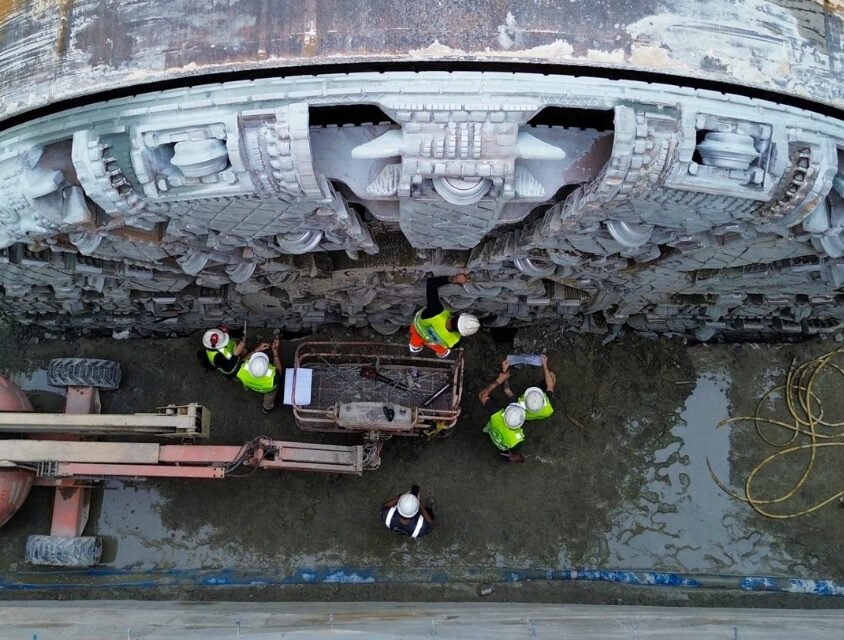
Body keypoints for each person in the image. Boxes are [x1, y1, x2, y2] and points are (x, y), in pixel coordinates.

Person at [409, 274, 480, 358]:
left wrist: (454, 278)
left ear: (460, 315)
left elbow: (431, 283)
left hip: (418, 330)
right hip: (433, 343)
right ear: (461, 333)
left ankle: (414, 350)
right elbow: (454, 345)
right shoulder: (454, 341)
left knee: (415, 342)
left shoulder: (435, 310)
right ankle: (442, 354)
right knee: (441, 350)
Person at [478, 359, 526, 463]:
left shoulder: (497, 415)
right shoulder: (517, 442)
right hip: (500, 442)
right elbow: (514, 454)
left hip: (494, 427)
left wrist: (501, 378)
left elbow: (483, 395)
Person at [235, 337, 282, 413]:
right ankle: (267, 408)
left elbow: (242, 361)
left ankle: (246, 388)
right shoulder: (273, 377)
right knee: (270, 394)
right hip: (266, 388)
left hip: (249, 383)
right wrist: (275, 353)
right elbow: (279, 371)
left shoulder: (241, 370)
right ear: (268, 367)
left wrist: (256, 350)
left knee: (246, 384)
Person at [519, 353, 556, 420]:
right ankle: (543, 386)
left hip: (527, 416)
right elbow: (550, 386)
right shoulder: (549, 408)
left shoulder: (519, 407)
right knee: (551, 376)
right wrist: (545, 365)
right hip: (535, 415)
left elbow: (508, 392)